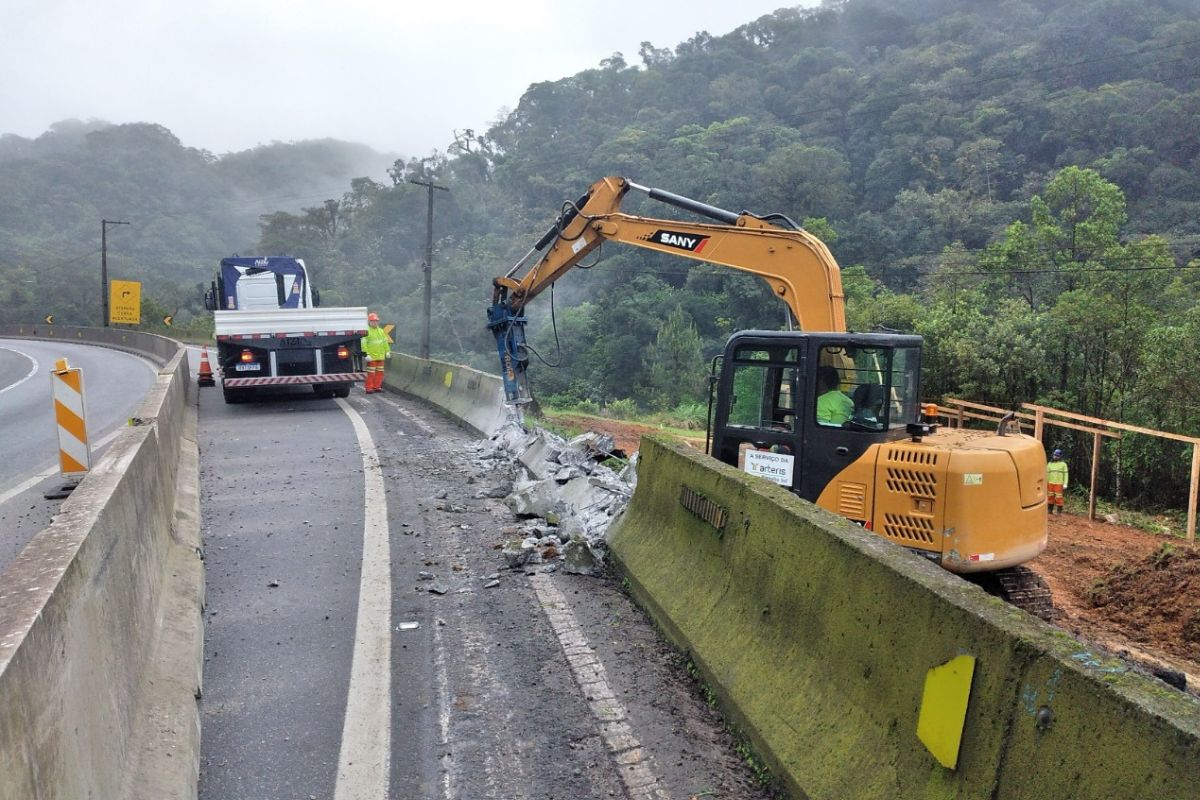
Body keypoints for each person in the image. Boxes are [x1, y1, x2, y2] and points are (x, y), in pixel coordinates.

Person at [361, 312, 391, 393]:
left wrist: (387, 351)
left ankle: (376, 387)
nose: (375, 322)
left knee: (380, 373)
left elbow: (385, 342)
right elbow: (363, 343)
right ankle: (369, 388)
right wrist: (366, 354)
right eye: (373, 321)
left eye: (376, 321)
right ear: (369, 322)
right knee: (371, 374)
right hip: (371, 357)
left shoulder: (381, 331)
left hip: (380, 357)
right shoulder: (366, 331)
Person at [1046, 448, 1068, 514]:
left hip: (1059, 484)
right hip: (1050, 483)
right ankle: (1050, 510)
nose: (1055, 456)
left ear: (1060, 456)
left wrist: (1065, 483)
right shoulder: (1050, 464)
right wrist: (1045, 482)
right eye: (1055, 455)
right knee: (1050, 496)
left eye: (1057, 455)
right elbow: (1047, 474)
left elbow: (1066, 474)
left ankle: (1059, 512)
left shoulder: (1063, 464)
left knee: (1059, 497)